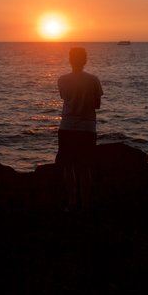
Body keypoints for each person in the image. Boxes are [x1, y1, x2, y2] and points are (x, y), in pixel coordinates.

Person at [56, 46, 102, 211]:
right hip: (87, 128)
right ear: (85, 60)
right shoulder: (94, 80)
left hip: (67, 127)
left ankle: (72, 202)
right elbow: (97, 105)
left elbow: (64, 97)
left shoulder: (62, 80)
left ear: (70, 60)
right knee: (84, 167)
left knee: (68, 167)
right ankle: (86, 204)